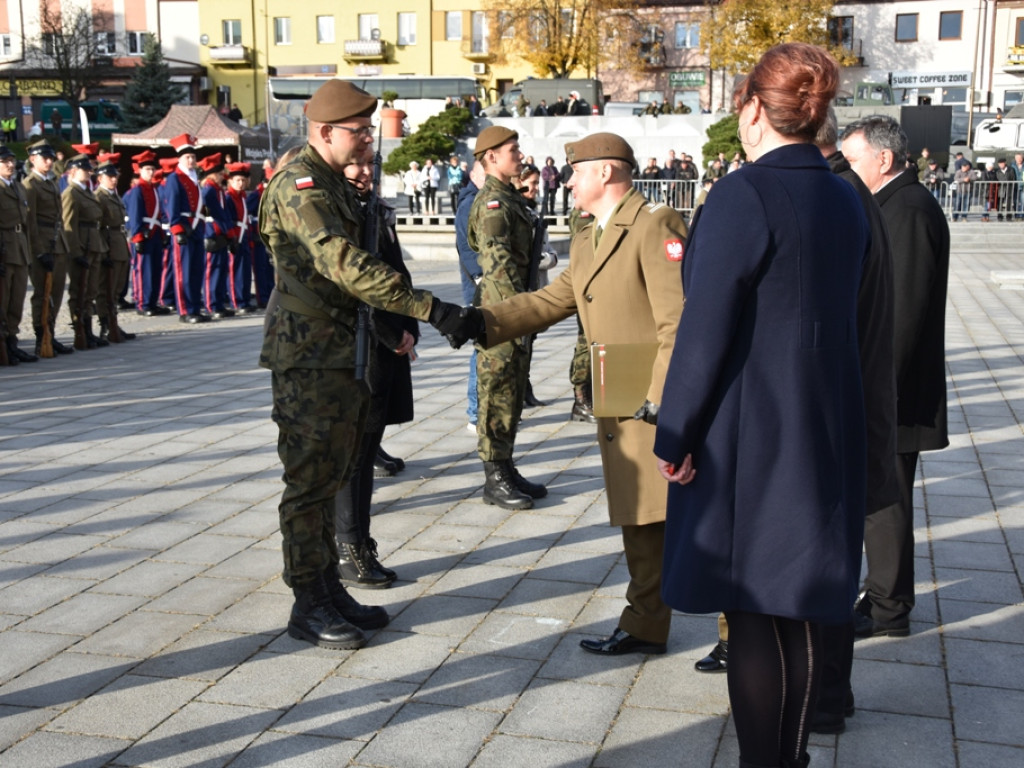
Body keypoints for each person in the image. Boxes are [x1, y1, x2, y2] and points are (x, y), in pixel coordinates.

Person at [653, 44, 869, 768]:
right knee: (800, 603)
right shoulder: (846, 194)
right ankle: (791, 759)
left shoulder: (743, 195)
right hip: (825, 422)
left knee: (749, 606)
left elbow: (704, 328)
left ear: (751, 108)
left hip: (750, 434)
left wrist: (674, 433)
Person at [449, 131, 687, 657]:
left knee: (694, 519)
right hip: (619, 386)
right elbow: (552, 299)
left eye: (577, 171)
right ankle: (646, 623)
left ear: (606, 172)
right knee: (640, 516)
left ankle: (735, 634)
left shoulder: (655, 225)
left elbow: (677, 322)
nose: (568, 181)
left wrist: (664, 400)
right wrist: (477, 321)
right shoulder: (587, 234)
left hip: (653, 392)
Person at [257, 79, 468, 650]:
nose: (368, 140)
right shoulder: (300, 187)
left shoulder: (333, 184)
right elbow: (345, 264)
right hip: (307, 360)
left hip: (340, 352)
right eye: (358, 131)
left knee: (332, 477)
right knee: (308, 485)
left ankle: (328, 587)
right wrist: (431, 308)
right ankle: (307, 601)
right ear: (326, 132)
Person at [841, 114, 950, 640]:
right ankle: (882, 594)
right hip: (891, 387)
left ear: (883, 160)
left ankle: (887, 607)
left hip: (895, 391)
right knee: (882, 497)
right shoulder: (892, 204)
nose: (846, 170)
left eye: (853, 160)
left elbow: (901, 314)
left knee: (886, 501)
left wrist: (875, 390)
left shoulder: (905, 210)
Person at [334, 159, 418, 588]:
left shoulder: (369, 208)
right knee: (352, 456)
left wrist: (407, 327)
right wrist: (393, 332)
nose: (365, 172)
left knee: (366, 452)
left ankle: (359, 542)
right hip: (355, 345)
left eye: (369, 166)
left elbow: (394, 273)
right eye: (355, 166)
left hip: (378, 342)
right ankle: (347, 548)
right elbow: (355, 284)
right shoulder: (339, 212)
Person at [467, 125, 548, 509]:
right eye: (512, 149)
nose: (519, 154)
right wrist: (520, 313)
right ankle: (494, 477)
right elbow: (497, 262)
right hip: (502, 314)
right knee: (496, 392)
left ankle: (506, 465)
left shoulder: (509, 198)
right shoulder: (492, 203)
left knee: (513, 392)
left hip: (513, 311)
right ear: (491, 157)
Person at [23, 140, 74, 356]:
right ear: (32, 159)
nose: (49, 161)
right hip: (42, 244)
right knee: (42, 293)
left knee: (56, 292)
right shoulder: (30, 184)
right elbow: (30, 221)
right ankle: (40, 336)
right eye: (44, 157)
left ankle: (51, 335)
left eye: (51, 157)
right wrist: (39, 250)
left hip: (57, 242)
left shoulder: (52, 183)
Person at [164, 133, 208, 323]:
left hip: (197, 227)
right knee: (184, 273)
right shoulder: (175, 178)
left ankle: (196, 308)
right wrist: (177, 229)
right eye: (187, 157)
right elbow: (171, 206)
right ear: (180, 158)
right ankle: (185, 310)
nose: (191, 160)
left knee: (197, 270)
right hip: (184, 227)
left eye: (193, 157)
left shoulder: (194, 177)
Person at [456, 160, 487, 432]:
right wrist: (480, 277)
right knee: (480, 351)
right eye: (484, 173)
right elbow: (466, 247)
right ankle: (475, 414)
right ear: (474, 174)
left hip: (488, 286)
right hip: (479, 288)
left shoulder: (483, 199)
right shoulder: (470, 203)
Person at [93, 155, 137, 343]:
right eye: (109, 176)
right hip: (109, 245)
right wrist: (104, 251)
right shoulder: (99, 197)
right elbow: (99, 227)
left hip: (119, 243)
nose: (114, 179)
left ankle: (113, 322)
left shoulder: (114, 195)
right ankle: (105, 324)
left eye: (115, 176)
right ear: (100, 178)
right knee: (106, 289)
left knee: (117, 289)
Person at [0, 144, 35, 364]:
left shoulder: (18, 187)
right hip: (4, 249)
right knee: (2, 301)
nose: (11, 165)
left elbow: (26, 222)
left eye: (12, 161)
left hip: (19, 248)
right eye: (5, 162)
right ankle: (3, 344)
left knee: (17, 299)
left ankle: (12, 341)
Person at [224, 162, 255, 313]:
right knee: (234, 270)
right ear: (230, 181)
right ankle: (236, 301)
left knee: (245, 270)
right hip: (236, 236)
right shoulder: (228, 197)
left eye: (243, 180)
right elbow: (228, 220)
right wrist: (232, 238)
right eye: (237, 180)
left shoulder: (242, 196)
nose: (241, 183)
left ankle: (245, 299)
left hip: (244, 236)